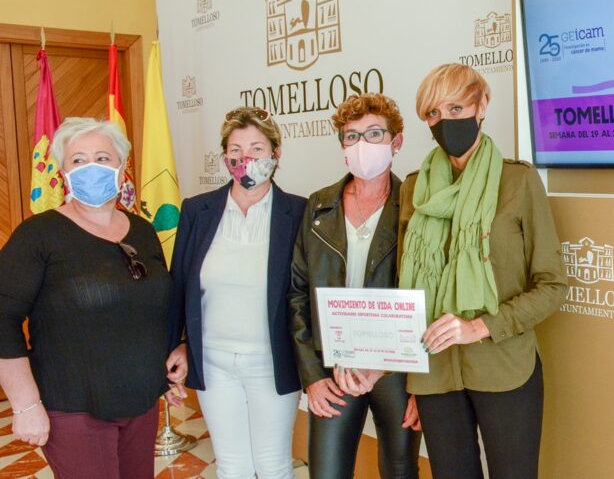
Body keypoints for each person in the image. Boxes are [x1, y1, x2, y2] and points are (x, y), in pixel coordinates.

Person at [399, 63, 568, 479]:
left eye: (455, 108)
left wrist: (479, 327)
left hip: (504, 368)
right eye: (433, 113)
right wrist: (409, 380)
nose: (444, 121)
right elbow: (406, 294)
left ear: (482, 106)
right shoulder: (414, 188)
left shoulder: (518, 181)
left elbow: (551, 285)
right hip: (434, 375)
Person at [0, 117, 184, 478]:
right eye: (78, 160)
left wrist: (164, 370)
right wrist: (25, 404)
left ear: (121, 166)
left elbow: (151, 307)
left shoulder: (142, 230)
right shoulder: (37, 235)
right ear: (63, 171)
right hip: (74, 409)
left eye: (102, 158)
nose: (91, 168)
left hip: (140, 402)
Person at [167, 107, 306, 478]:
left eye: (257, 149)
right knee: (231, 465)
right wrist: (177, 343)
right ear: (224, 156)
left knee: (272, 463)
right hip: (213, 362)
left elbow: (306, 292)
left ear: (276, 153)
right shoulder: (198, 210)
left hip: (272, 360)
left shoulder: (299, 212)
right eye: (236, 150)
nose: (246, 159)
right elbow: (179, 284)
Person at [289, 94, 421, 478]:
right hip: (336, 367)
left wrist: (422, 384)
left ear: (396, 142)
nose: (362, 144)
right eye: (352, 136)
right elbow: (298, 292)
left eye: (374, 134)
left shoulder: (415, 206)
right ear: (343, 146)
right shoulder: (319, 206)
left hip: (396, 371)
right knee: (326, 472)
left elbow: (430, 294)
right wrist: (313, 377)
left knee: (400, 470)